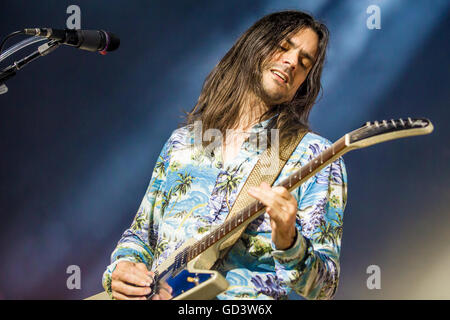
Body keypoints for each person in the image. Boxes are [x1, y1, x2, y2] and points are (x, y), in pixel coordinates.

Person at [102, 10, 348, 300]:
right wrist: (124, 267)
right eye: (283, 47)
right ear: (254, 46)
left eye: (304, 62)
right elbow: (142, 234)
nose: (292, 61)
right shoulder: (182, 144)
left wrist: (290, 242)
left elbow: (325, 287)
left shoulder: (317, 158)